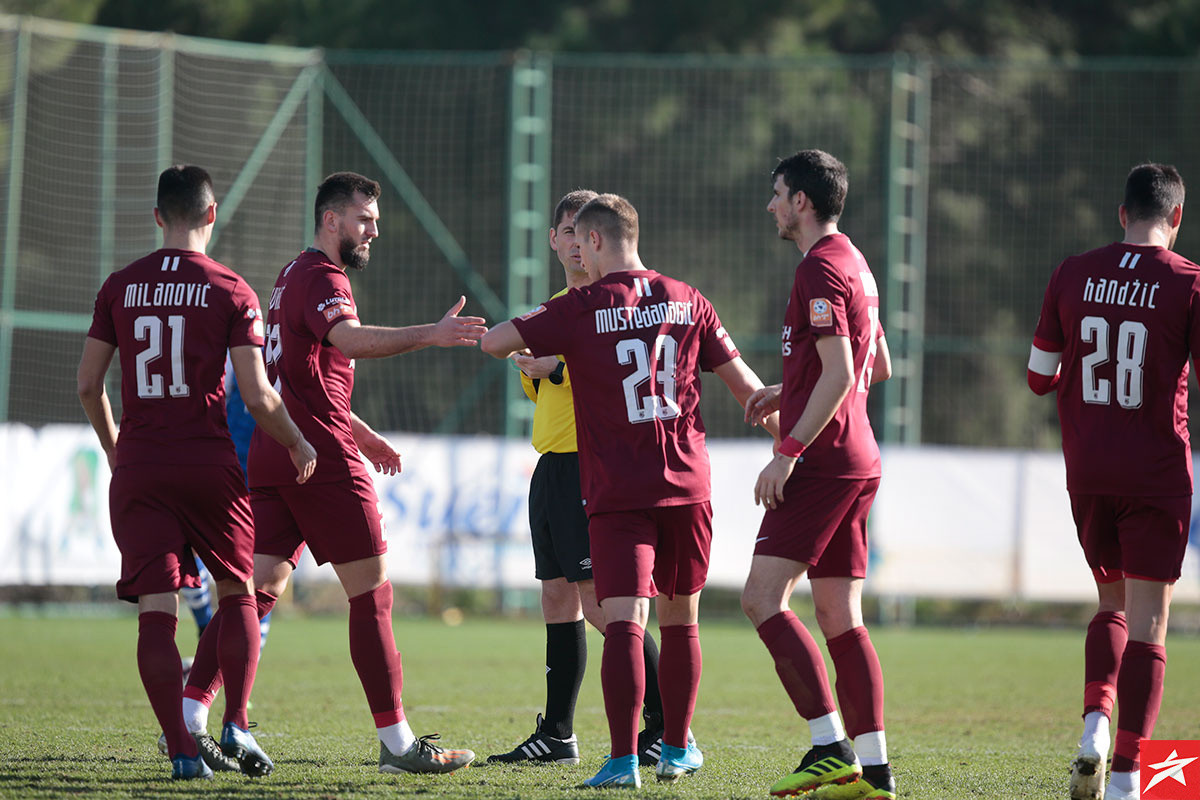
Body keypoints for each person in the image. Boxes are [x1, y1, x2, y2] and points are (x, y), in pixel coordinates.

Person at [181, 171, 485, 776]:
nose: (373, 229)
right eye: (363, 218)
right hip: (317, 456)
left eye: (374, 220)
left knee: (255, 589)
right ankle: (398, 744)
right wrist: (434, 333)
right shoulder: (323, 277)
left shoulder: (291, 274)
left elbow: (304, 375)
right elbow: (351, 339)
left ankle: (189, 714)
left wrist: (364, 431)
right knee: (372, 594)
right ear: (330, 220)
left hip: (277, 450)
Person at [482, 193, 775, 788]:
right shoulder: (689, 298)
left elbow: (495, 342)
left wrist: (562, 353)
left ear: (591, 242)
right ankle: (675, 749)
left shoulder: (582, 306)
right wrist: (794, 446)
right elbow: (749, 389)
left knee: (621, 621)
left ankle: (620, 763)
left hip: (616, 488)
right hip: (686, 482)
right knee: (681, 622)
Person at [76, 165, 317, 780]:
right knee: (239, 590)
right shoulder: (232, 289)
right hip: (209, 466)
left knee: (157, 612)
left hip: (143, 466)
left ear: (159, 217)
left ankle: (184, 752)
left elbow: (87, 385)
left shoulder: (119, 286)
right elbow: (261, 398)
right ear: (212, 215)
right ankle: (236, 723)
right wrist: (296, 443)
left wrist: (114, 448)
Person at [488, 190, 680, 767]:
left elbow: (624, 369)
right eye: (565, 231)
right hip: (551, 461)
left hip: (590, 464)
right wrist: (541, 371)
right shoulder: (554, 307)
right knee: (556, 595)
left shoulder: (614, 303)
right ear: (554, 240)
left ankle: (670, 726)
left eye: (582, 231)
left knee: (605, 603)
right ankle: (559, 733)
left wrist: (559, 365)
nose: (575, 242)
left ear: (598, 239)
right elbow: (540, 386)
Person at [1028, 163, 1197, 800]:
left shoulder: (1072, 272)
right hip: (1155, 473)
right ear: (1176, 218)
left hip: (1089, 470)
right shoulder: (1188, 283)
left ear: (1121, 213)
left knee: (1111, 604)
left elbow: (1039, 376)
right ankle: (1128, 780)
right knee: (1151, 623)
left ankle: (1095, 723)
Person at [741, 150, 894, 800]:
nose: (772, 205)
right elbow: (875, 363)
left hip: (826, 459)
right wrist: (789, 385)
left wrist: (789, 449)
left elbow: (840, 372)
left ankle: (828, 746)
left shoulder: (817, 269)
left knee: (761, 598)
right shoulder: (855, 262)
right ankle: (877, 773)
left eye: (778, 194)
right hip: (859, 457)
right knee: (837, 612)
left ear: (802, 201)